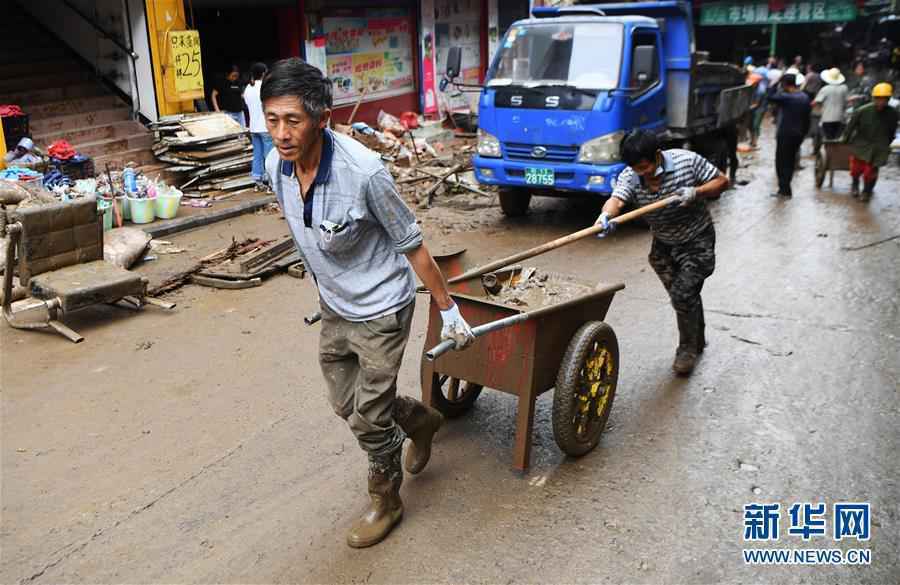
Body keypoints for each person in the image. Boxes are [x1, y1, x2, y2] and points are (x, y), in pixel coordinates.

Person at [261, 58, 475, 548]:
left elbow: (413, 245)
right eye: (272, 120)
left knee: (369, 417)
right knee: (345, 405)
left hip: (382, 309)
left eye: (292, 120)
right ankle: (423, 421)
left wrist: (449, 311)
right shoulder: (277, 165)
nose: (282, 133)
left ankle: (386, 498)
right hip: (337, 306)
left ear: (321, 117)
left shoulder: (364, 174)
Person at [594, 130, 729, 375]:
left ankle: (687, 350)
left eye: (645, 167)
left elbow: (722, 181)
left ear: (657, 155)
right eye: (636, 169)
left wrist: (696, 191)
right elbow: (617, 199)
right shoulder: (631, 176)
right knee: (684, 297)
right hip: (664, 245)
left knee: (682, 294)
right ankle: (696, 338)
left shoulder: (686, 161)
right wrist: (606, 216)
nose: (642, 173)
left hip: (696, 240)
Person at [843, 83, 899, 200]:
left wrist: (887, 144)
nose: (881, 102)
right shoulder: (862, 111)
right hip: (861, 145)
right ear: (874, 98)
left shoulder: (893, 114)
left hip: (879, 147)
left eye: (884, 99)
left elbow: (892, 130)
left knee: (871, 172)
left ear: (888, 100)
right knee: (856, 169)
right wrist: (845, 140)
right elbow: (850, 126)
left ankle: (867, 191)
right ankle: (855, 185)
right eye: (878, 99)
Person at [767, 72, 811, 197]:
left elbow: (769, 96)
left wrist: (773, 83)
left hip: (785, 134)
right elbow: (807, 119)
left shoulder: (787, 97)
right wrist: (803, 134)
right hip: (798, 135)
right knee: (790, 162)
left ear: (785, 84)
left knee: (781, 162)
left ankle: (784, 190)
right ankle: (786, 189)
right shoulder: (805, 97)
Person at [242, 62, 274, 190]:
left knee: (257, 154)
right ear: (263, 73)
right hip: (265, 127)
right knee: (270, 155)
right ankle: (271, 182)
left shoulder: (248, 88)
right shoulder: (265, 87)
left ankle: (258, 181)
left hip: (254, 127)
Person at [814, 68, 849, 141]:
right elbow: (847, 101)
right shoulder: (844, 88)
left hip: (827, 118)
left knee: (829, 141)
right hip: (840, 118)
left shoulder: (825, 89)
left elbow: (816, 102)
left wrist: (820, 110)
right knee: (837, 140)